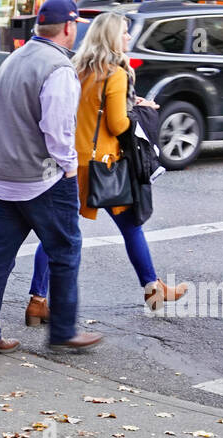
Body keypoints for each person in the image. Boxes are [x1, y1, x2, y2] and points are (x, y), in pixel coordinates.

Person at [31, 12, 186, 311]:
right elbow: (116, 124)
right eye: (125, 32)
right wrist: (143, 114)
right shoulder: (114, 73)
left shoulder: (76, 68)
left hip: (72, 162)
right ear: (113, 38)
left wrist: (132, 104)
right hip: (104, 165)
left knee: (57, 231)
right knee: (131, 227)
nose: (129, 37)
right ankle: (153, 288)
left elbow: (89, 110)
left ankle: (37, 299)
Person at [0, 0, 103, 353]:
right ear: (69, 27)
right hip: (43, 178)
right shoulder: (58, 67)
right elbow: (58, 129)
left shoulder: (15, 59)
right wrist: (69, 168)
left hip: (5, 175)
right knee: (65, 251)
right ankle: (61, 331)